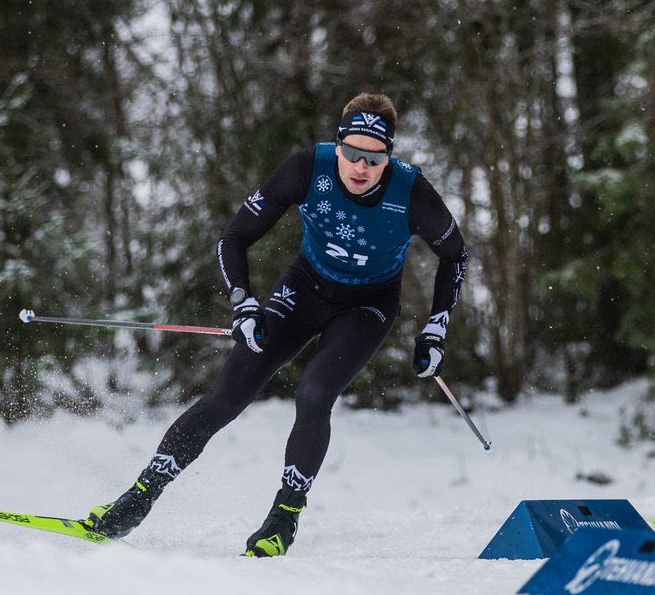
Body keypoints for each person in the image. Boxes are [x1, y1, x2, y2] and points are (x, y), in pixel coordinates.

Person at [82, 92, 469, 556]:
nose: (360, 167)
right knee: (225, 397)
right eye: (351, 152)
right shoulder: (308, 168)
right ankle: (139, 498)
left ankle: (282, 518)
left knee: (314, 393)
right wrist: (243, 303)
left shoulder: (413, 194)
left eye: (374, 157)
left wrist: (435, 329)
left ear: (389, 156)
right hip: (303, 288)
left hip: (366, 306)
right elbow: (234, 239)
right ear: (338, 144)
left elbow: (455, 256)